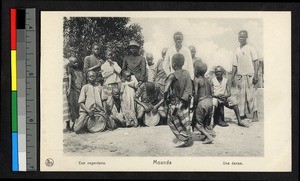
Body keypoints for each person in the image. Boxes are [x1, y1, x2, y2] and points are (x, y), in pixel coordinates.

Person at [163, 53, 193, 147]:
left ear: (174, 63)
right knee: (185, 120)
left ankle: (182, 138)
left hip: (175, 102)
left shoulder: (172, 75)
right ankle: (186, 138)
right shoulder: (187, 73)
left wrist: (165, 100)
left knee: (172, 120)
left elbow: (166, 89)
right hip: (185, 101)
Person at [231, 30, 259, 122]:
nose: (241, 39)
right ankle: (242, 115)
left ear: (246, 37)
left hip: (249, 75)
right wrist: (232, 77)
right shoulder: (237, 50)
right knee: (241, 97)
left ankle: (255, 115)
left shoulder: (250, 48)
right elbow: (234, 65)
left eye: (243, 37)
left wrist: (255, 75)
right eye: (239, 37)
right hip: (240, 76)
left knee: (251, 96)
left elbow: (256, 61)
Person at [191, 60, 214, 144]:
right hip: (210, 101)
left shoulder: (197, 80)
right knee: (204, 120)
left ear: (196, 70)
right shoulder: (207, 80)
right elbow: (211, 92)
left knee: (197, 124)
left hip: (202, 102)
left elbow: (196, 94)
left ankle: (208, 136)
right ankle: (205, 136)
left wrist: (194, 105)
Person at [67, 57, 83, 131]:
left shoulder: (80, 71)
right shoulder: (71, 71)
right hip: (74, 91)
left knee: (79, 107)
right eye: (74, 62)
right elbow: (72, 82)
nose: (76, 64)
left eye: (77, 62)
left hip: (80, 90)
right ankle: (73, 123)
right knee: (74, 107)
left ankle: (79, 123)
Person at [63, 58, 71, 132]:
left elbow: (69, 74)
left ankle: (68, 124)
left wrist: (69, 86)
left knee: (66, 104)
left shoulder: (66, 61)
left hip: (64, 83)